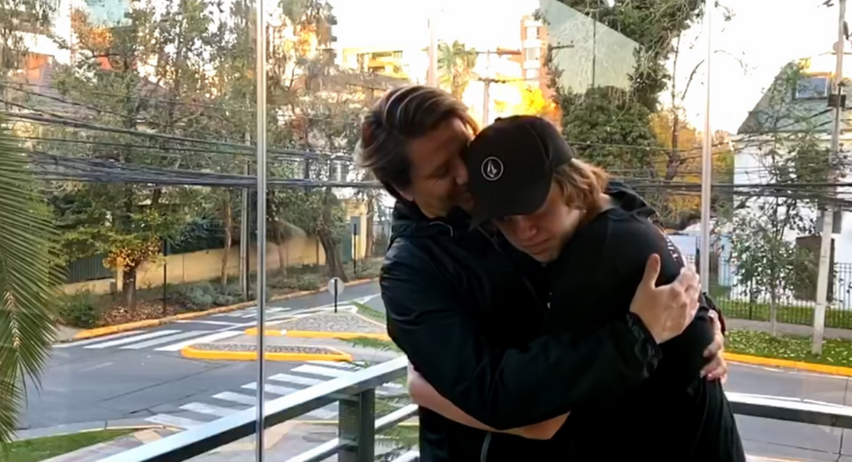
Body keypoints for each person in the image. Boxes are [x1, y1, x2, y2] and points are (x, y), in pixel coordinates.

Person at [358, 85, 728, 461]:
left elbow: (618, 215)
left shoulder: (516, 185)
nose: (465, 174)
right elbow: (498, 396)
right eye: (441, 171)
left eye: (465, 151)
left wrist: (700, 318)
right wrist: (640, 336)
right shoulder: (411, 272)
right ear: (401, 189)